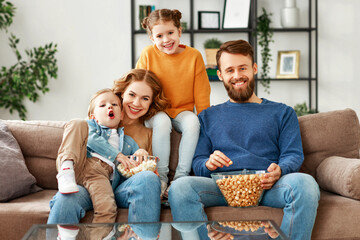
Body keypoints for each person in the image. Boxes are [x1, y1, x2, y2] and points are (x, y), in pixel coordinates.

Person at [168, 40, 320, 240]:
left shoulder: (282, 112)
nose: (237, 76)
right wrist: (208, 163)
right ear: (220, 75)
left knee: (306, 184)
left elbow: (292, 154)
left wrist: (280, 170)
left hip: (267, 186)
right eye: (229, 70)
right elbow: (198, 163)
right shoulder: (207, 117)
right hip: (222, 187)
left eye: (242, 68)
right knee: (180, 188)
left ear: (254, 68)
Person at [48, 69, 169, 227]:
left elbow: (146, 172)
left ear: (151, 102)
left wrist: (142, 157)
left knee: (148, 179)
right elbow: (80, 137)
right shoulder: (98, 118)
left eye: (145, 98)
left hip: (119, 187)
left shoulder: (148, 134)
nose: (136, 103)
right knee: (66, 198)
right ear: (122, 94)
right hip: (86, 180)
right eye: (131, 95)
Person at [137, 9, 211, 198]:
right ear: (152, 38)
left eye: (170, 33)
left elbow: (202, 94)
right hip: (155, 111)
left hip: (181, 111)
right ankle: (161, 178)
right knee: (162, 121)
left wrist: (208, 125)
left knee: (193, 122)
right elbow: (137, 84)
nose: (166, 40)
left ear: (179, 31)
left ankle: (179, 178)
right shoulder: (148, 54)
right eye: (159, 35)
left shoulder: (194, 56)